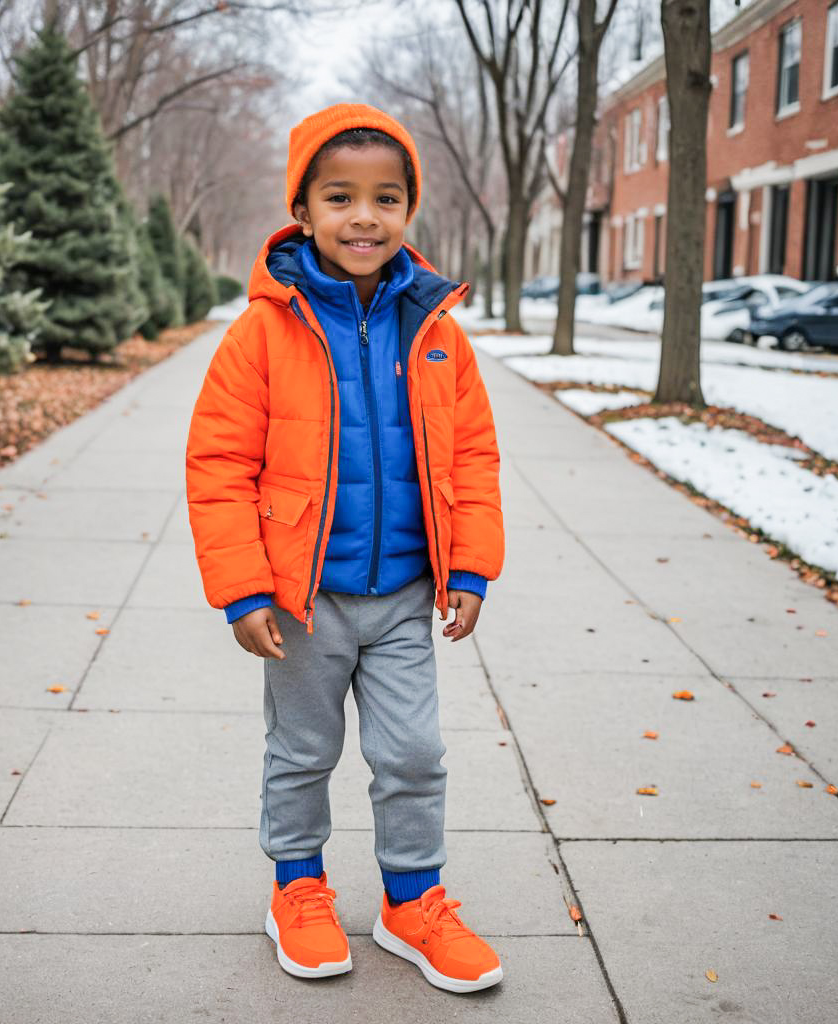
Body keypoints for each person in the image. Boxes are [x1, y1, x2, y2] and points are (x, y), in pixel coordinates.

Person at [185, 102, 505, 993]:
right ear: (304, 211)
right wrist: (243, 591)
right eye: (340, 197)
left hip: (405, 592)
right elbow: (216, 465)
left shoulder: (437, 331)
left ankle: (412, 902)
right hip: (302, 599)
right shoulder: (262, 332)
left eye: (387, 198)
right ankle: (299, 889)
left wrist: (472, 565)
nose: (364, 217)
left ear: (410, 210)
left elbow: (474, 454)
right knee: (303, 752)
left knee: (412, 753)